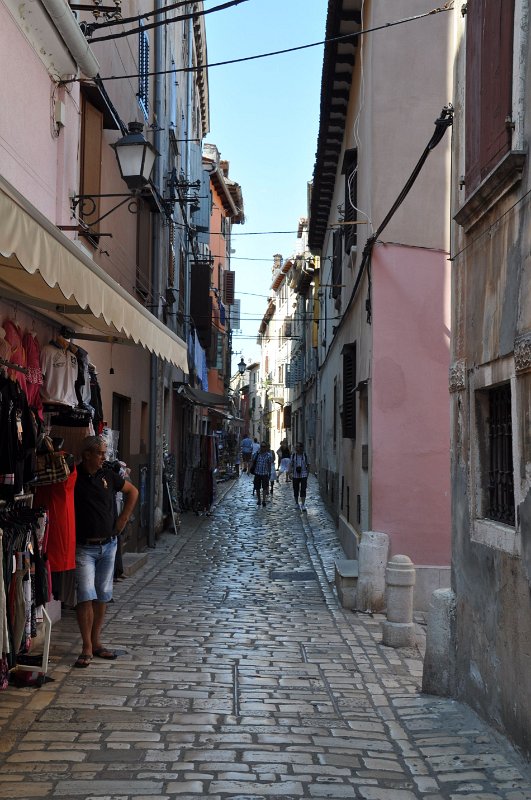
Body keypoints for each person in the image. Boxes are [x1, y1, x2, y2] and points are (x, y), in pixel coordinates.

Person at [73, 435, 138, 668]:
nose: (104, 457)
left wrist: (123, 519)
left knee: (102, 595)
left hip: (108, 545)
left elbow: (133, 492)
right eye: (100, 453)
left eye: (104, 453)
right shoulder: (74, 476)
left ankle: (96, 642)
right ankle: (86, 647)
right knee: (85, 595)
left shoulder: (109, 475)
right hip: (84, 547)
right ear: (87, 454)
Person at [250, 441, 273, 507]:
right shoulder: (256, 454)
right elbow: (252, 461)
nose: (263, 448)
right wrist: (249, 469)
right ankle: (259, 500)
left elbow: (269, 465)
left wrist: (269, 473)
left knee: (264, 487)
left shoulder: (268, 456)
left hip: (264, 473)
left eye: (264, 446)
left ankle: (264, 500)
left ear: (266, 447)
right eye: (262, 446)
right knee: (257, 487)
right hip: (257, 473)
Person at [289, 441, 310, 511]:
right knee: (296, 489)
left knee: (303, 489)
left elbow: (308, 465)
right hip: (295, 475)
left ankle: (303, 504)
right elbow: (290, 465)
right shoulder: (293, 456)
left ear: (301, 447)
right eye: (296, 446)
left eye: (298, 446)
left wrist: (307, 474)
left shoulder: (305, 456)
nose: (297, 448)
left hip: (303, 474)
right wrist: (290, 473)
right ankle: (296, 503)